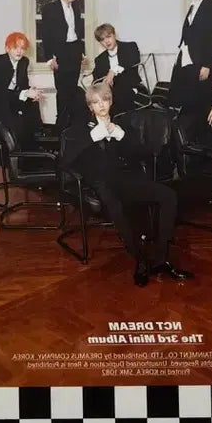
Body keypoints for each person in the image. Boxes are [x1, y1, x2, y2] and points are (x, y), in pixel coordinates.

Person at [62, 82, 193, 287]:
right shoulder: (80, 129)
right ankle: (140, 260)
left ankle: (161, 259)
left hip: (125, 178)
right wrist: (91, 137)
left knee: (168, 195)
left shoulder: (121, 124)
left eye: (105, 100)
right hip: (101, 183)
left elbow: (143, 154)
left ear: (111, 101)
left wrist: (122, 136)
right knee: (117, 209)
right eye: (96, 102)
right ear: (90, 106)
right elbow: (66, 160)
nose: (101, 105)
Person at [168, 0, 212, 117]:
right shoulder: (194, 3)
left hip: (201, 59)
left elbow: (211, 36)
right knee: (186, 98)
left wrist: (207, 64)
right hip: (187, 56)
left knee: (203, 99)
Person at [0, 31, 44, 146]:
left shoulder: (24, 62)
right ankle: (14, 145)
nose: (19, 51)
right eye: (15, 47)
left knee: (32, 102)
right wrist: (24, 94)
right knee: (5, 105)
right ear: (7, 48)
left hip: (9, 97)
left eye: (22, 48)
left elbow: (23, 85)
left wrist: (32, 92)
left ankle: (35, 138)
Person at [40, 0, 88, 129]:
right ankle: (61, 126)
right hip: (60, 52)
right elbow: (45, 35)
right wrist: (49, 58)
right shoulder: (50, 8)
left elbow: (78, 33)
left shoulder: (76, 8)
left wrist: (82, 53)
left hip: (74, 50)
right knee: (62, 91)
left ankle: (73, 126)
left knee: (73, 90)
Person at [91, 23, 146, 117]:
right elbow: (96, 79)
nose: (106, 41)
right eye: (102, 40)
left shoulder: (130, 47)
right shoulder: (100, 59)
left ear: (114, 35)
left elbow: (133, 60)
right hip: (111, 94)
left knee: (114, 101)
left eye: (108, 37)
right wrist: (104, 82)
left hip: (131, 88)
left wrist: (113, 71)